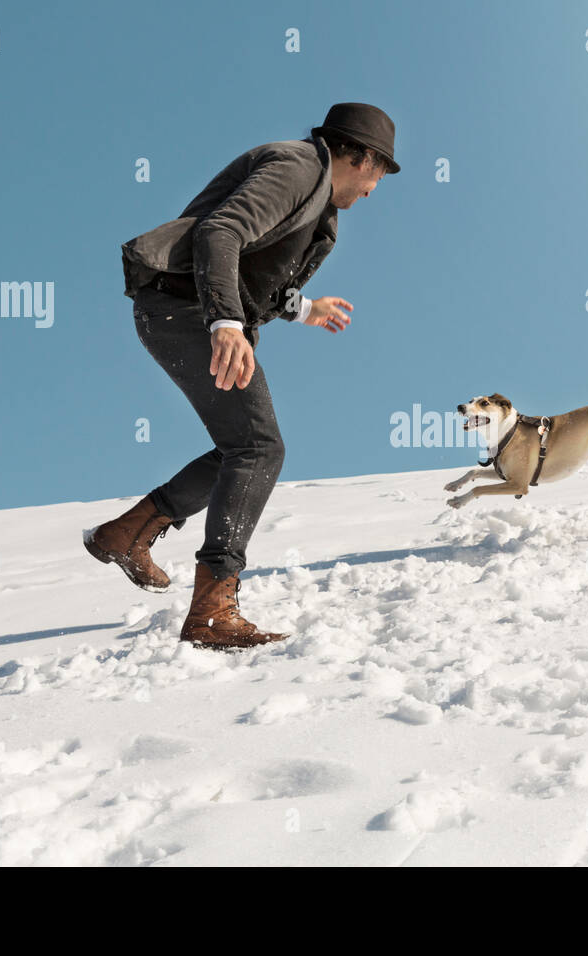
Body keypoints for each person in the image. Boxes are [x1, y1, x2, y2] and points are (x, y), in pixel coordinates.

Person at [85, 103, 399, 649]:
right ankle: (211, 610)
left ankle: (127, 533)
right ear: (361, 157)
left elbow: (261, 278)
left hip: (181, 310)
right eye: (380, 174)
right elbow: (222, 231)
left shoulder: (320, 205)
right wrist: (225, 321)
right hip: (183, 307)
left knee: (245, 450)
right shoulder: (299, 166)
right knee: (258, 448)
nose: (374, 190)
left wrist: (305, 309)